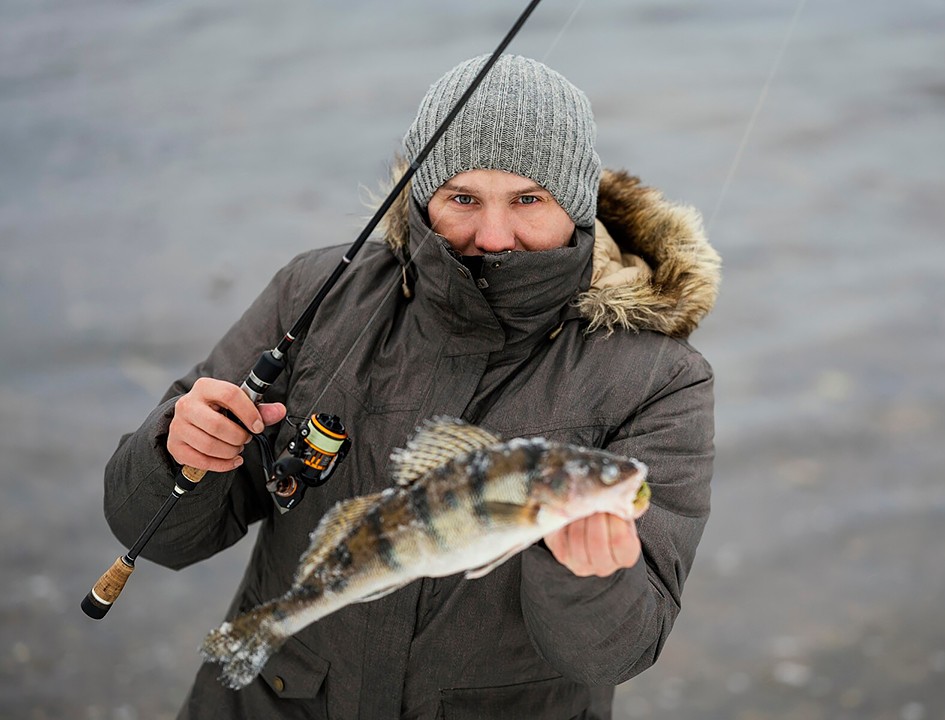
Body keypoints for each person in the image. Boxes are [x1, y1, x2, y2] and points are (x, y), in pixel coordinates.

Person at [103, 53, 721, 720]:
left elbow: (615, 653)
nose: (492, 235)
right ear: (423, 194)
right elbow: (160, 536)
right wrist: (177, 453)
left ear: (575, 206)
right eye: (462, 198)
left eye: (528, 200)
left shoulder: (663, 379)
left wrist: (591, 579)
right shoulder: (314, 296)